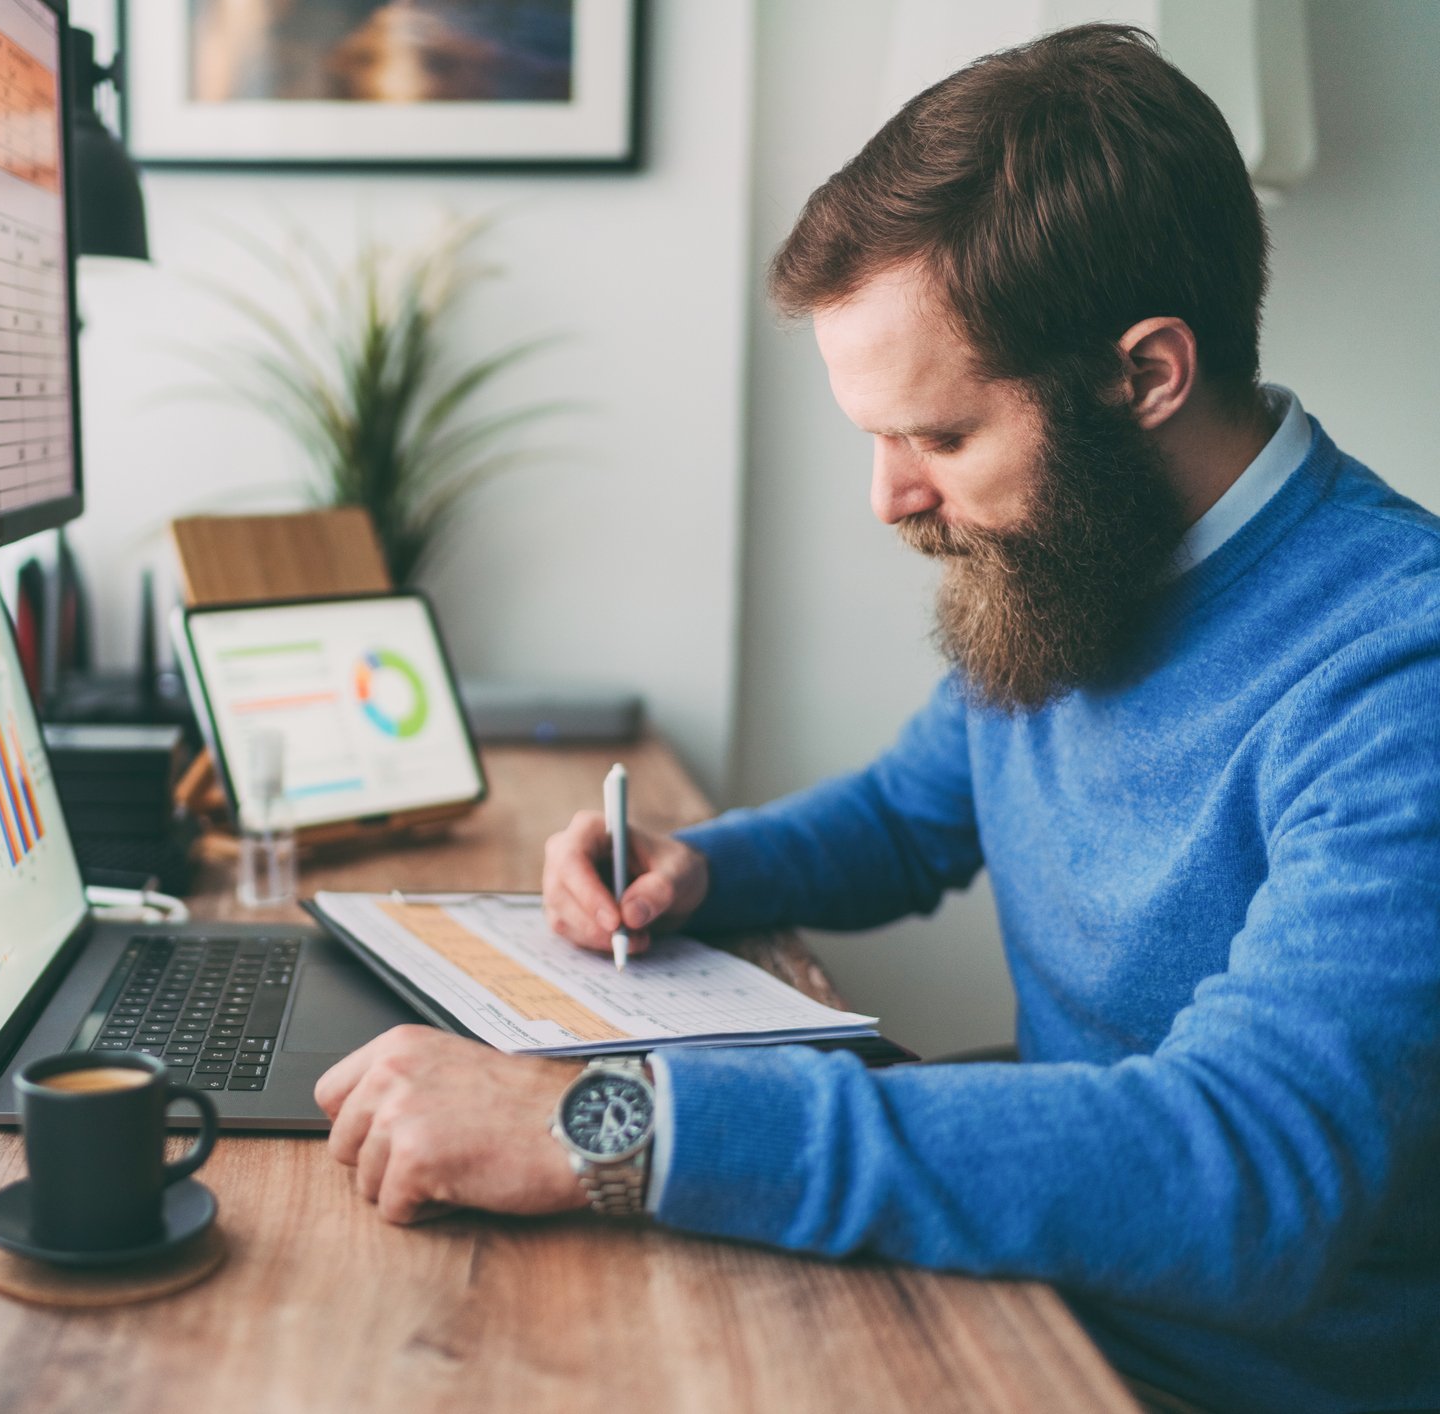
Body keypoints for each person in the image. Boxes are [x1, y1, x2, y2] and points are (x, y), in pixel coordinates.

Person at [313, 24, 1440, 1413]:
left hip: (1201, 1374)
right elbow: (916, 810)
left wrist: (608, 1122)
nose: (890, 497)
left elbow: (1250, 1171)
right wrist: (710, 863)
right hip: (1037, 1282)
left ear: (1145, 375)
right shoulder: (1084, 553)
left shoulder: (1401, 672)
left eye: (942, 437)